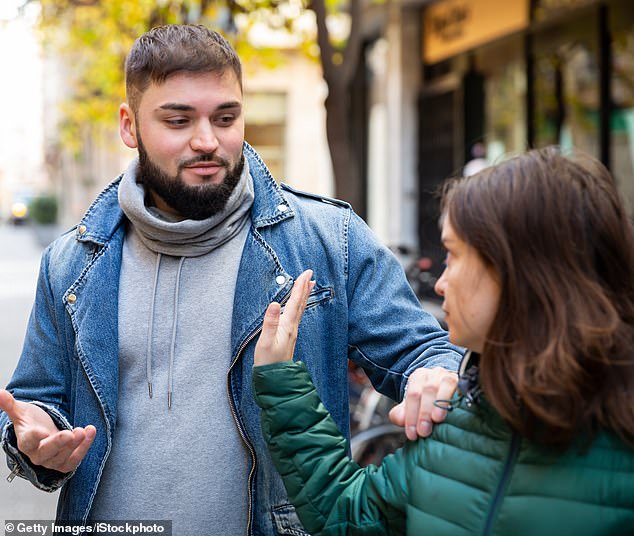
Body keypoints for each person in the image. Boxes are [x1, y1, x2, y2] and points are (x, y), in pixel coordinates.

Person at [0, 24, 462, 533]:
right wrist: (38, 443)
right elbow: (35, 403)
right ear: (129, 127)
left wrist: (433, 374)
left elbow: (427, 353)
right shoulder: (71, 262)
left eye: (226, 118)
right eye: (178, 120)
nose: (207, 141)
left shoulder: (331, 241)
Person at [252, 146, 634, 535]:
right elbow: (346, 515)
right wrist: (282, 382)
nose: (439, 282)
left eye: (452, 255)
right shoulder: (462, 422)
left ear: (520, 271)